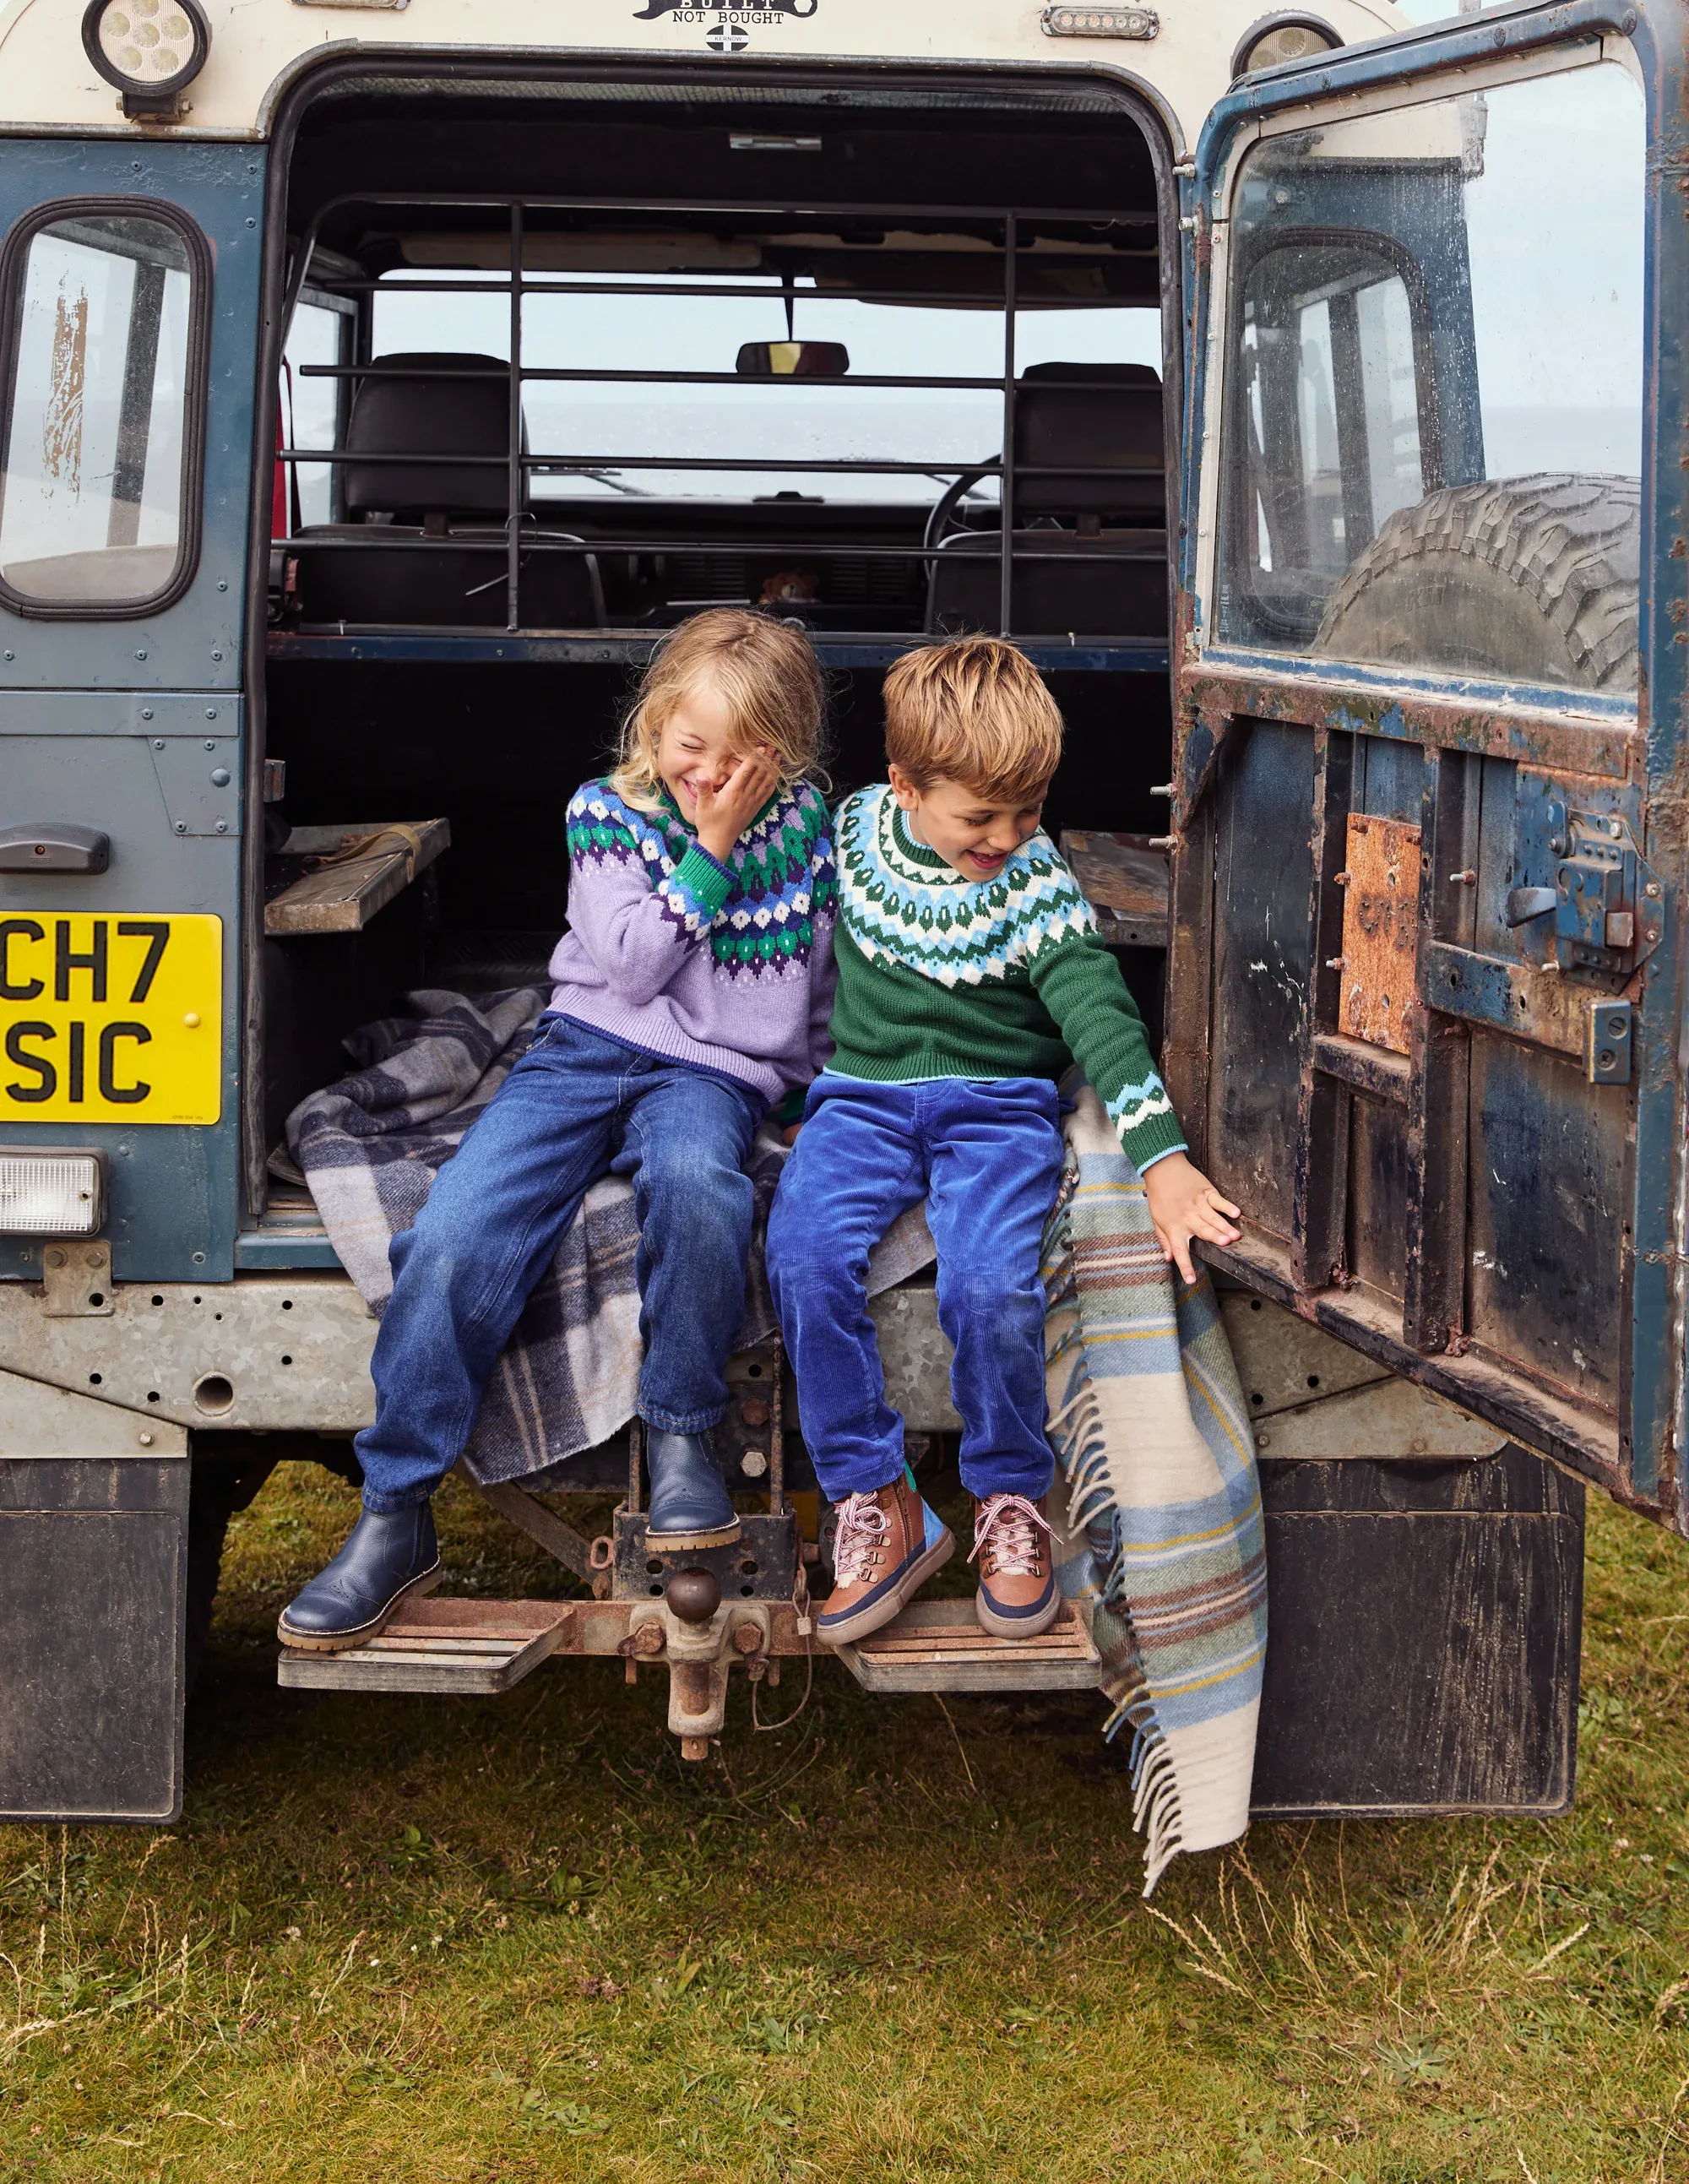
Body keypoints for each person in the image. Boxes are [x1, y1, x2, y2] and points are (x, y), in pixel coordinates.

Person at [280, 609, 837, 1650]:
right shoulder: (606, 811)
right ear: (654, 720)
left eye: (736, 761)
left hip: (710, 1077)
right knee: (455, 1233)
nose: (706, 776)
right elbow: (629, 964)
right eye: (688, 746)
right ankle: (394, 1509)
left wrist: (804, 1088)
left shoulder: (806, 826)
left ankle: (682, 1440)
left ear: (784, 756)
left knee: (704, 1191)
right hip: (584, 1048)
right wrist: (713, 846)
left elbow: (814, 970)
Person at [767, 636, 1241, 1647]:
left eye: (1024, 812)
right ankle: (872, 1497)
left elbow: (1099, 1018)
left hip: (995, 1109)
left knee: (988, 1285)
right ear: (900, 785)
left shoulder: (1033, 880)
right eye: (977, 816)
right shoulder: (849, 835)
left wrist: (1160, 1162)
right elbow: (773, 926)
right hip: (859, 1100)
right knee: (802, 1256)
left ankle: (1007, 1497)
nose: (1005, 836)